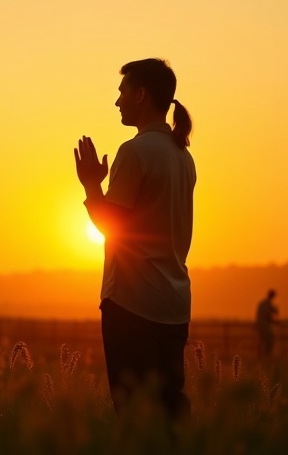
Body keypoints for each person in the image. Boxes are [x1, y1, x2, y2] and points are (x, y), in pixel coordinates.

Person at [73, 58, 196, 421]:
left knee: (133, 415)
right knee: (171, 412)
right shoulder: (183, 156)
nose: (118, 101)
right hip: (174, 305)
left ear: (141, 94)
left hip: (132, 303)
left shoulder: (135, 151)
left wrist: (91, 185)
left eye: (122, 92)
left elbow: (112, 227)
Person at [256, 289, 279, 358]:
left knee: (262, 340)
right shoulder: (268, 304)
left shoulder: (263, 303)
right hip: (264, 325)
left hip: (260, 325)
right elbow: (274, 312)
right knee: (269, 340)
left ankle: (261, 355)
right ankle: (266, 355)